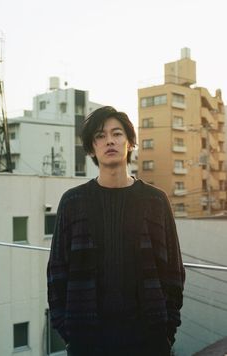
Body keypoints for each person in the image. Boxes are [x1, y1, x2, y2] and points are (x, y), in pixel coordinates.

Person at [47, 106, 185, 356]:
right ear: (91, 148)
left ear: (130, 142)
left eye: (117, 133)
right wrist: (69, 334)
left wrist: (166, 332)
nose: (109, 140)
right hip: (87, 340)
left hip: (148, 339)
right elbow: (57, 272)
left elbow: (174, 272)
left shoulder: (155, 200)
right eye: (100, 135)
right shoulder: (72, 201)